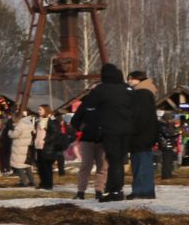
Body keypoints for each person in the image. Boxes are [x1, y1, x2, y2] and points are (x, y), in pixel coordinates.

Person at [74, 64, 135, 201]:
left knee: (113, 161)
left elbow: (89, 104)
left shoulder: (102, 89)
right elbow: (135, 107)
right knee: (119, 160)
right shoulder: (128, 89)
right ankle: (116, 189)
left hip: (110, 129)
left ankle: (114, 191)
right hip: (127, 129)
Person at [128, 70, 160, 200]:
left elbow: (140, 116)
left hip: (141, 135)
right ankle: (144, 190)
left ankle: (142, 191)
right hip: (146, 134)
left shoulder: (141, 93)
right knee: (142, 163)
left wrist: (133, 130)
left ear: (139, 79)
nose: (129, 81)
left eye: (131, 79)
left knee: (141, 164)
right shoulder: (146, 92)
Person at [31, 104, 66, 192]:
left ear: (46, 111)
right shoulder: (39, 120)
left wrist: (45, 140)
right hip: (38, 145)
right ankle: (42, 183)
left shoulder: (51, 121)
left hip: (46, 147)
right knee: (40, 166)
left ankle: (48, 184)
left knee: (46, 166)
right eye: (38, 109)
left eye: (40, 109)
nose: (38, 111)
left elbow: (55, 133)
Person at [7, 108, 36, 187]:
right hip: (27, 147)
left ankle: (24, 181)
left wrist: (9, 132)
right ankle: (32, 181)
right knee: (26, 165)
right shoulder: (29, 123)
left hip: (19, 147)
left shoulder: (20, 125)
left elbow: (14, 135)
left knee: (18, 165)